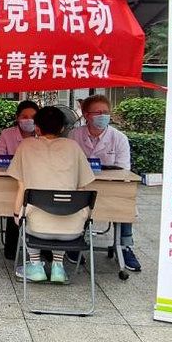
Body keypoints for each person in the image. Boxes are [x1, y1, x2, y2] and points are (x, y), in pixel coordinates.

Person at [7, 106, 94, 283]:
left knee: (25, 216)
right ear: (62, 128)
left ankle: (35, 265)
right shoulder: (73, 147)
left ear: (37, 128)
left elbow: (21, 186)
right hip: (73, 229)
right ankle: (58, 267)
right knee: (62, 213)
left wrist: (17, 216)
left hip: (36, 227)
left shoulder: (26, 145)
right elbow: (82, 187)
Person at [68, 94, 140, 272]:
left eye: (106, 112)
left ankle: (124, 246)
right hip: (81, 186)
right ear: (86, 115)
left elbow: (124, 170)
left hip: (110, 188)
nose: (103, 116)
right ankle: (73, 242)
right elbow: (67, 163)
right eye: (98, 112)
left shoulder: (119, 138)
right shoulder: (74, 135)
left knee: (126, 202)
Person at [0, 100, 40, 260]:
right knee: (12, 206)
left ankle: (44, 249)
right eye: (24, 116)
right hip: (13, 180)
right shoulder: (7, 134)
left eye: (33, 117)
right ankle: (11, 249)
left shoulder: (43, 134)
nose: (29, 120)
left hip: (39, 181)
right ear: (17, 118)